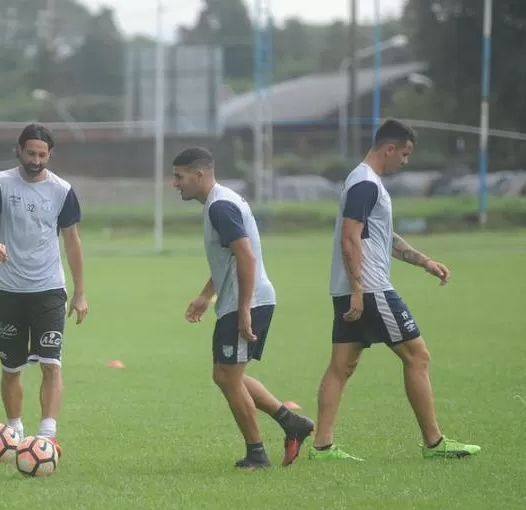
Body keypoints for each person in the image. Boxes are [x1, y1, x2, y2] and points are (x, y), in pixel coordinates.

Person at [308, 119, 480, 461]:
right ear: (389, 148)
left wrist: (424, 261)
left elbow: (381, 237)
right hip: (369, 289)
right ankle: (434, 442)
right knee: (418, 356)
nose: (405, 161)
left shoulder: (364, 182)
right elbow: (349, 237)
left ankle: (322, 447)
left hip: (351, 289)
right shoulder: (365, 184)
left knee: (341, 367)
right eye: (404, 153)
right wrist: (359, 288)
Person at [172, 147, 315, 469]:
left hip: (246, 303)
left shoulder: (221, 206)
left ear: (200, 175)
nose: (174, 183)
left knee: (229, 378)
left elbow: (247, 257)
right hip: (241, 301)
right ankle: (292, 423)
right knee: (226, 376)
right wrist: (205, 296)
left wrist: (244, 309)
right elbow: (230, 258)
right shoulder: (220, 201)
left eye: (179, 177)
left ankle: (257, 454)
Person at [0, 123, 88, 456]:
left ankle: (47, 435)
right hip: (9, 290)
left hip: (49, 289)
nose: (36, 160)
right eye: (30, 153)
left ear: (50, 155)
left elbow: (72, 241)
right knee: (12, 367)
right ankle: (15, 429)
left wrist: (80, 292)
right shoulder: (0, 183)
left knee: (51, 363)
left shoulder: (62, 190)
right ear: (18, 150)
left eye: (42, 155)